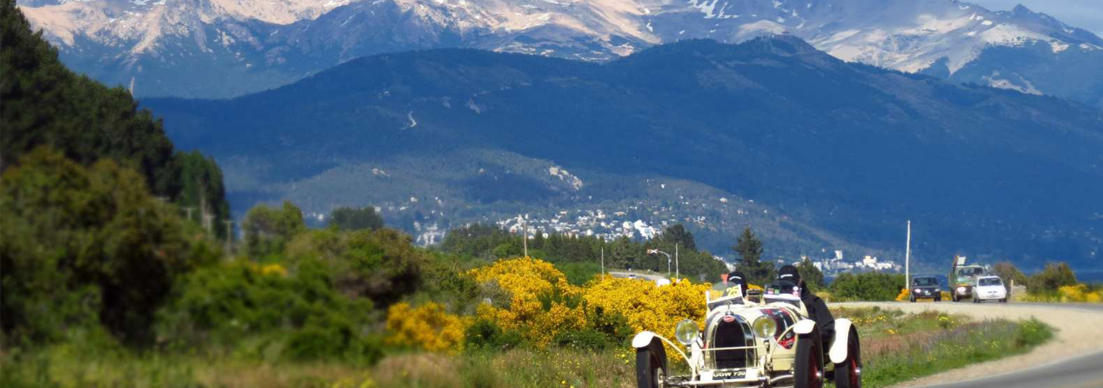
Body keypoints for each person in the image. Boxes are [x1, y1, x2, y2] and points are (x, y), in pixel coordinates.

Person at [778, 265, 835, 348]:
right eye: (784, 287)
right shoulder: (775, 305)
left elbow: (828, 328)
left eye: (791, 286)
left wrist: (810, 337)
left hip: (810, 348)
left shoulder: (814, 301)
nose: (787, 290)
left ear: (799, 282)